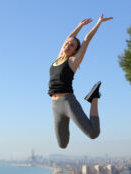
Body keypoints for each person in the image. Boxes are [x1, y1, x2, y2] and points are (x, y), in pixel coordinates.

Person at [48, 14, 113, 148]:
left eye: (72, 46)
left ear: (74, 51)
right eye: (67, 43)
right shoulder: (58, 58)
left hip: (68, 102)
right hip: (55, 106)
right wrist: (79, 26)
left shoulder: (73, 61)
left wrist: (99, 22)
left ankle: (94, 98)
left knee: (93, 133)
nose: (68, 45)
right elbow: (68, 38)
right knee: (62, 144)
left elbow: (87, 39)